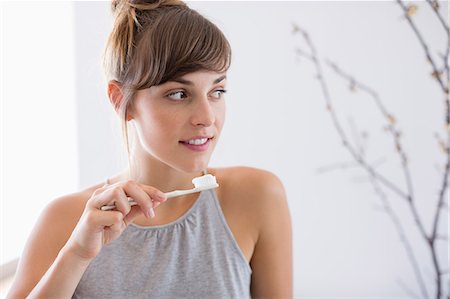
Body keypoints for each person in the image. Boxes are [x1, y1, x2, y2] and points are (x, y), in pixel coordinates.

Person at [6, 0, 292, 298]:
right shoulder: (66, 220)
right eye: (179, 94)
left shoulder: (257, 196)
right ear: (121, 101)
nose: (207, 117)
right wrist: (77, 254)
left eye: (216, 91)